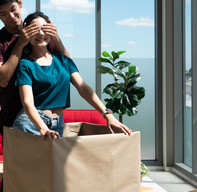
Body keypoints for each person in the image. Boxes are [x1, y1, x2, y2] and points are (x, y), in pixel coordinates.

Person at [13, 12, 132, 140]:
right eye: (35, 29)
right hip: (31, 124)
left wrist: (107, 114)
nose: (41, 34)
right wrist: (43, 128)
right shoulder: (25, 64)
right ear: (27, 31)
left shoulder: (64, 60)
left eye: (44, 29)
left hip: (57, 124)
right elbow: (27, 103)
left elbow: (83, 88)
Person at [0, 0, 68, 136]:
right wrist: (21, 43)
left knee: (51, 160)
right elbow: (2, 79)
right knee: (19, 160)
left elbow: (68, 66)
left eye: (13, 9)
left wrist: (56, 39)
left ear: (20, 3)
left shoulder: (40, 31)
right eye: (3, 13)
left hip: (48, 116)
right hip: (13, 116)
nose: (11, 16)